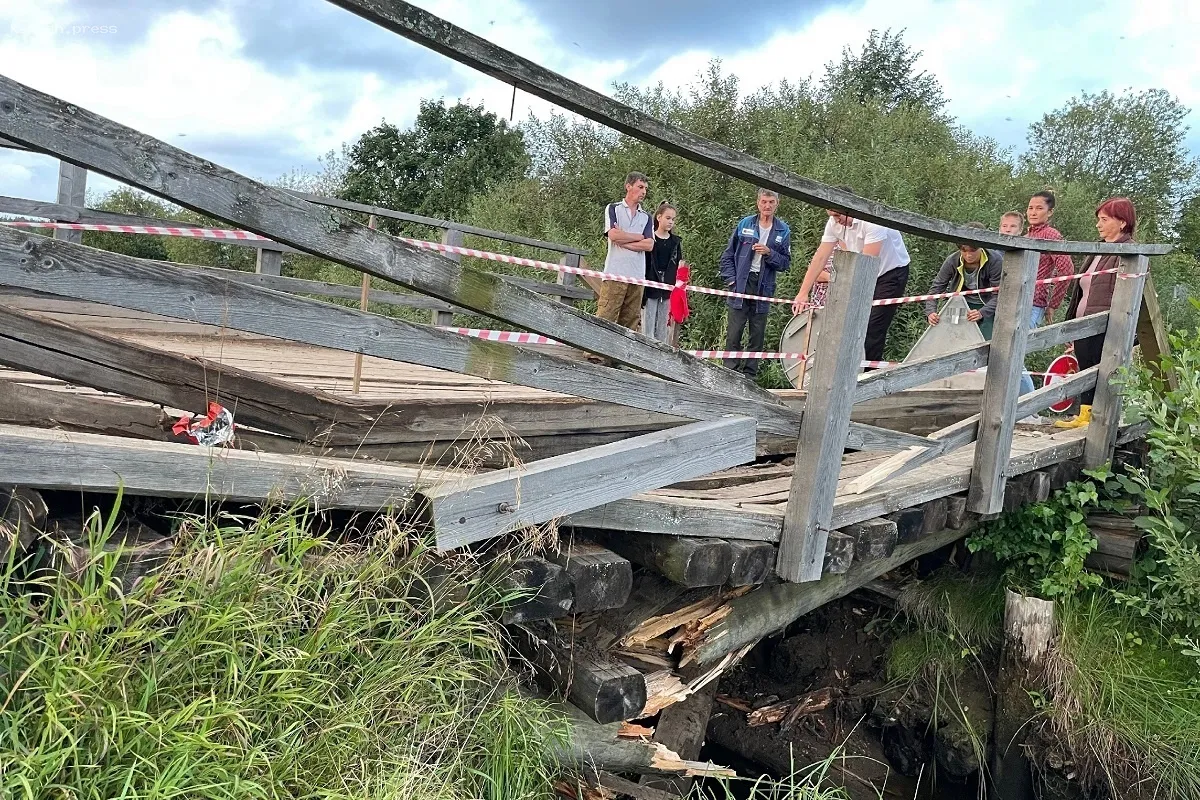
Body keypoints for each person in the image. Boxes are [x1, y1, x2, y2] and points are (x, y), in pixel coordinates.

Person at [793, 188, 911, 364]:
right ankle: (846, 368)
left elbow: (867, 262)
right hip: (861, 268)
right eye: (832, 216)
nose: (836, 220)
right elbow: (820, 257)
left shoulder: (873, 222)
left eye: (839, 216)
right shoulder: (834, 223)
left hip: (889, 273)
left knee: (872, 325)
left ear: (851, 207)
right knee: (848, 323)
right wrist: (802, 293)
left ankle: (867, 374)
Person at [1055, 198, 1137, 429]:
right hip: (1083, 322)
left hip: (1106, 324)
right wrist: (1072, 326)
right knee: (1085, 366)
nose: (1098, 225)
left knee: (1101, 370)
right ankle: (1084, 415)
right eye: (1098, 220)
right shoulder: (1097, 250)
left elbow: (1131, 293)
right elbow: (1082, 292)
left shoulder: (1130, 252)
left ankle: (1100, 420)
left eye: (1104, 220)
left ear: (1122, 223)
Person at [718, 189, 791, 377]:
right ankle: (729, 374)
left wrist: (769, 253)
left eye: (771, 202)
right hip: (741, 283)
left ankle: (750, 377)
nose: (767, 206)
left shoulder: (783, 230)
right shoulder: (745, 224)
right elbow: (727, 255)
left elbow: (785, 263)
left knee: (757, 334)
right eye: (764, 201)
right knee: (734, 332)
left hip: (764, 286)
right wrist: (732, 280)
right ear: (758, 203)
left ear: (777, 204)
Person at [1016, 191, 1075, 397]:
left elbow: (1067, 270)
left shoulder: (1051, 235)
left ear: (1050, 212)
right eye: (1030, 207)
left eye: (1039, 208)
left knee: (1015, 351)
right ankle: (1020, 404)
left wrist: (1053, 303)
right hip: (1015, 301)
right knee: (1009, 351)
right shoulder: (1025, 236)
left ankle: (1029, 406)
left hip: (1034, 302)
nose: (1033, 212)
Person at [925, 222, 1004, 340]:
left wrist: (982, 313)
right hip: (959, 304)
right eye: (963, 250)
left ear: (982, 246)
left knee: (985, 340)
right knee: (952, 337)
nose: (968, 255)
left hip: (986, 305)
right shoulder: (952, 260)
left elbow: (999, 294)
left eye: (973, 250)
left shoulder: (995, 260)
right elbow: (936, 288)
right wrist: (930, 312)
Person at [599, 172, 654, 333]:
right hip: (615, 272)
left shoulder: (646, 217)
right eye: (640, 187)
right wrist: (638, 237)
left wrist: (625, 240)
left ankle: (621, 358)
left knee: (630, 320)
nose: (643, 191)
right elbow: (613, 235)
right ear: (628, 186)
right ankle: (595, 355)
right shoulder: (614, 208)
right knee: (606, 315)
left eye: (645, 188)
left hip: (637, 276)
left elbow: (649, 244)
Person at [642, 201, 683, 343]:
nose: (671, 222)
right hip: (651, 284)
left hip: (668, 286)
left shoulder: (675, 242)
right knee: (648, 322)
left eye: (673, 219)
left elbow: (679, 264)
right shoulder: (649, 238)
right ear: (659, 217)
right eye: (668, 218)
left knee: (663, 326)